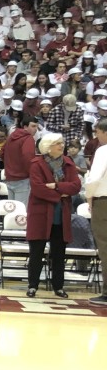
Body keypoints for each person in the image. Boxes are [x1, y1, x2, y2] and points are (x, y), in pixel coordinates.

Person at [25, 133, 81, 299]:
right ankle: (32, 285)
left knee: (59, 253)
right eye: (57, 143)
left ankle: (58, 286)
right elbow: (38, 188)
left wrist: (56, 186)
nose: (61, 146)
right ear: (48, 146)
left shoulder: (68, 164)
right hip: (40, 214)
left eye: (62, 143)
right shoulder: (36, 164)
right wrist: (61, 193)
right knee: (36, 252)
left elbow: (76, 186)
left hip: (61, 216)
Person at [85, 118, 107, 307]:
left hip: (104, 202)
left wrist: (89, 197)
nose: (97, 137)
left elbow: (94, 179)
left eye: (98, 133)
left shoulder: (103, 150)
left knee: (105, 248)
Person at [2, 114, 39, 204]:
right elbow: (28, 157)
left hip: (9, 177)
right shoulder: (28, 138)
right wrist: (32, 173)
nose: (36, 129)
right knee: (21, 211)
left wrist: (9, 165)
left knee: (11, 209)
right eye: (33, 126)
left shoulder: (11, 136)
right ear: (25, 126)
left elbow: (1, 153)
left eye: (37, 126)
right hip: (23, 178)